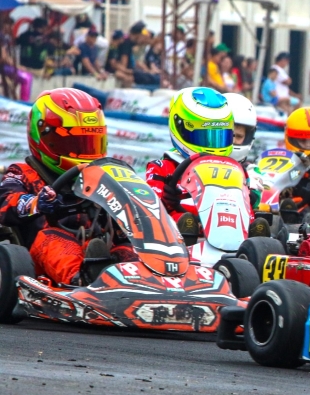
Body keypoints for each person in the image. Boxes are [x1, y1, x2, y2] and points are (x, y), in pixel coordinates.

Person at [0, 88, 128, 285]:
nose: (82, 151)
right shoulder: (22, 173)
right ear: (42, 136)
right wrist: (37, 203)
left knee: (127, 247)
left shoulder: (101, 176)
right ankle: (82, 280)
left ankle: (149, 280)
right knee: (55, 241)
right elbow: (6, 203)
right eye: (72, 142)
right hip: (44, 249)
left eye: (89, 142)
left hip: (98, 244)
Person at [145, 87, 237, 237]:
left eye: (219, 136)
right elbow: (151, 211)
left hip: (228, 225)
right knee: (183, 222)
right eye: (204, 136)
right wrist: (168, 201)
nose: (212, 146)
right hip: (180, 238)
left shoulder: (232, 168)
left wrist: (250, 196)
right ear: (180, 127)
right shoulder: (162, 168)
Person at [223, 93, 257, 165]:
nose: (233, 140)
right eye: (228, 134)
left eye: (239, 136)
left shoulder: (251, 173)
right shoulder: (194, 167)